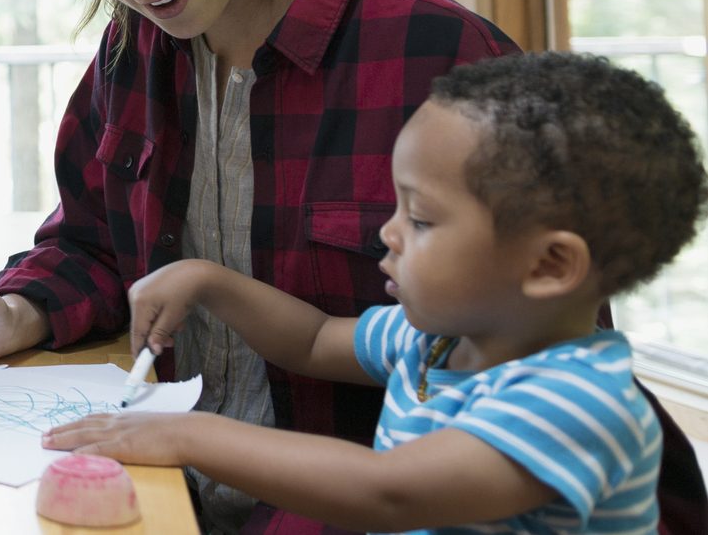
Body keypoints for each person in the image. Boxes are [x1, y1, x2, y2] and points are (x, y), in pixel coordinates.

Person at [0, 0, 522, 530]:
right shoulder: (131, 49)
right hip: (165, 493)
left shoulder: (438, 55)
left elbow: (528, 356)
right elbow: (93, 243)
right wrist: (16, 316)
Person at [44, 53, 700, 533]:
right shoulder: (439, 340)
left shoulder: (577, 402)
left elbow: (387, 491)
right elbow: (310, 338)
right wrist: (208, 280)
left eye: (420, 218)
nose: (386, 231)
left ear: (549, 263)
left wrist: (187, 437)